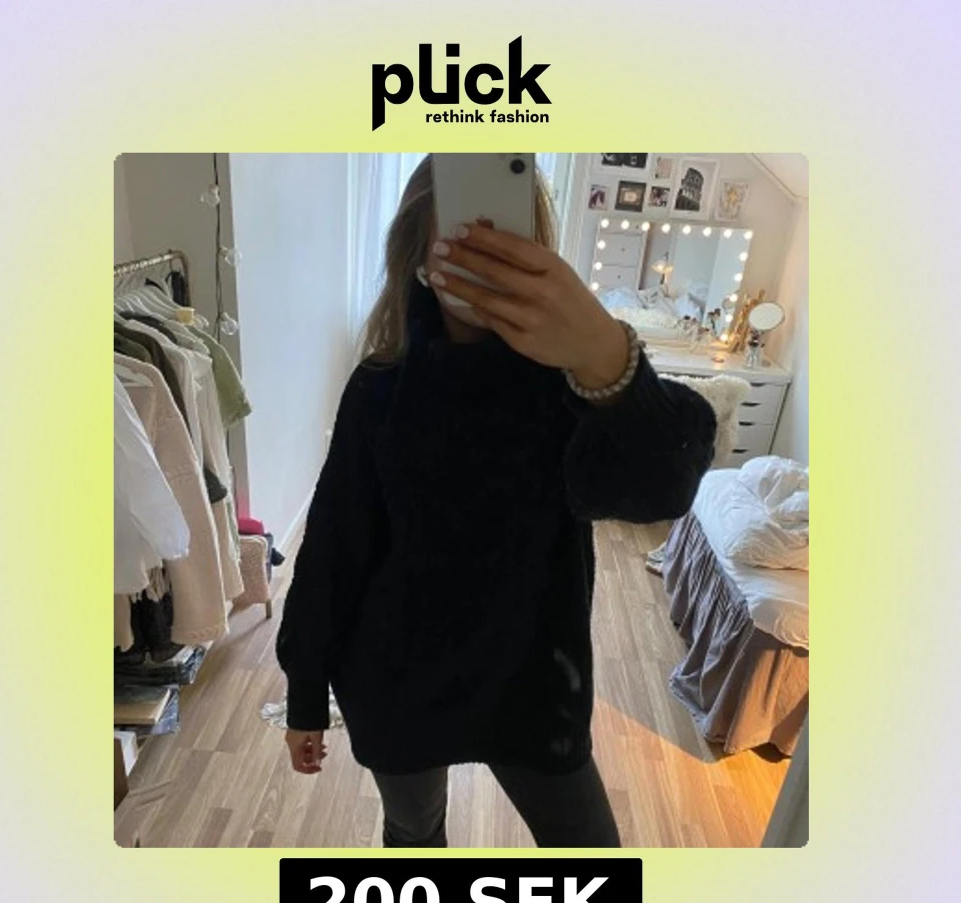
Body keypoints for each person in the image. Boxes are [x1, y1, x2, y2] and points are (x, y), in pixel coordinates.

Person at [277, 155, 717, 848]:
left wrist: (608, 357)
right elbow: (333, 549)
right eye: (459, 234)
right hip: (397, 683)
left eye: (505, 236)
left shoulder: (573, 390)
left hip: (533, 688)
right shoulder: (379, 390)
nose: (483, 255)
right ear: (419, 251)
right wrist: (305, 691)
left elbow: (664, 487)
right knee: (413, 832)